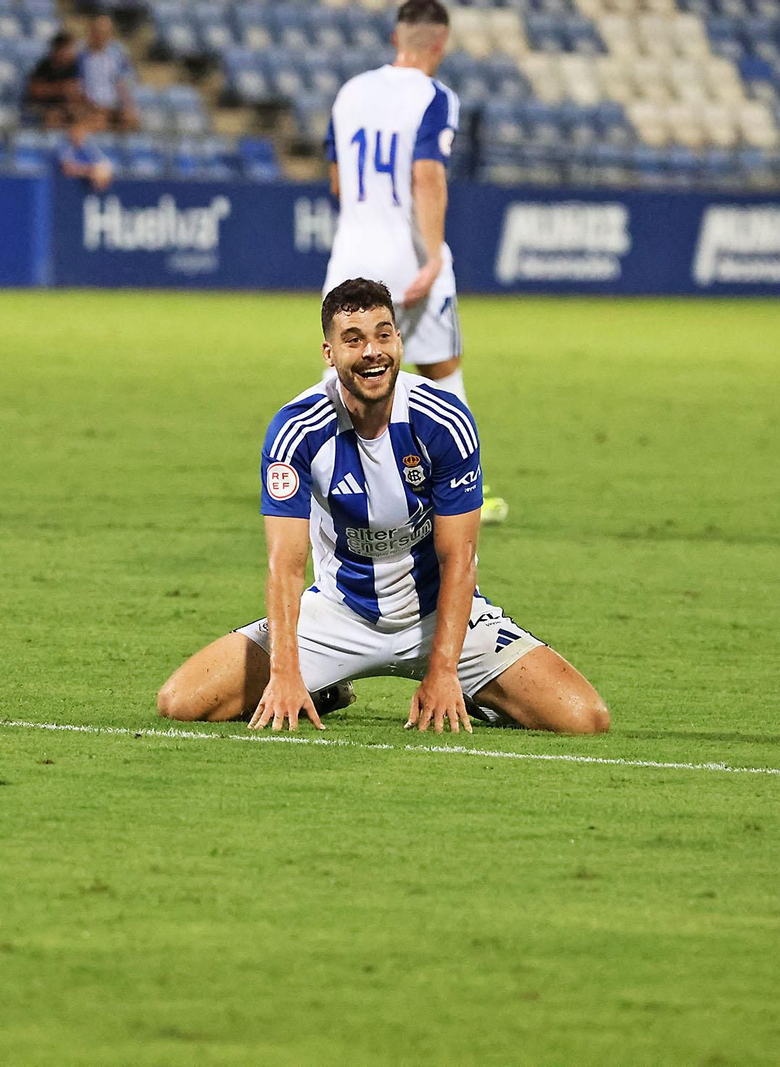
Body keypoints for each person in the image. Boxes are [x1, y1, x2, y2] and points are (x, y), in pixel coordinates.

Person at [157, 279, 610, 735]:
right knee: (181, 701)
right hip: (336, 615)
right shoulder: (297, 429)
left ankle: (470, 693)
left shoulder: (443, 420)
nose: (372, 351)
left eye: (383, 334)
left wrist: (445, 670)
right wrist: (286, 674)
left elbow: (459, 558)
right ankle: (323, 687)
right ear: (329, 354)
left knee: (583, 719)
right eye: (353, 340)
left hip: (438, 618)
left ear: (398, 339)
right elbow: (285, 565)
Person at [323, 0, 506, 524]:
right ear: (440, 44)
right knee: (442, 369)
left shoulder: (350, 92)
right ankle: (468, 489)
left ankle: (331, 484)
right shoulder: (435, 97)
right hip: (407, 257)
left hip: (351, 253)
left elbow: (337, 180)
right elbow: (427, 173)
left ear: (395, 37)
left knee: (343, 373)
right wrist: (432, 256)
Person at [78, 13, 136, 132]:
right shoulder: (80, 54)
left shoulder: (117, 53)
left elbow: (122, 82)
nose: (101, 36)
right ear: (91, 32)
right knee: (99, 120)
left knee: (131, 119)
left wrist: (128, 106)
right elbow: (76, 83)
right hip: (89, 104)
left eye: (105, 33)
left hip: (111, 105)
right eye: (97, 32)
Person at [24, 31, 82, 130]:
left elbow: (75, 89)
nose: (71, 52)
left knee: (81, 113)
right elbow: (35, 90)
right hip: (42, 106)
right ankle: (50, 143)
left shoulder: (73, 68)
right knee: (53, 116)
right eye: (68, 49)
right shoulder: (44, 66)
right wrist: (60, 88)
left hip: (63, 106)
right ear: (58, 49)